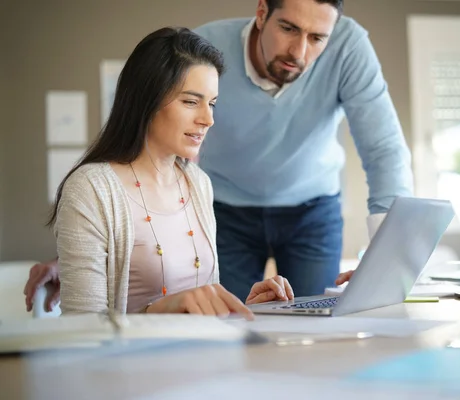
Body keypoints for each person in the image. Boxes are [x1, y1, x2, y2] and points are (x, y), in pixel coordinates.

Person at [24, 0, 413, 309]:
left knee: (316, 322)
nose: (300, 51)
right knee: (221, 321)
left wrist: (387, 255)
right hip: (228, 206)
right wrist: (88, 258)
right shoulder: (204, 53)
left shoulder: (349, 47)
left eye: (317, 38)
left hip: (311, 208)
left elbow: (385, 149)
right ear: (262, 13)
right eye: (289, 28)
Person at [40, 27, 294, 318]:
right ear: (146, 100)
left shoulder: (197, 183)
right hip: (130, 364)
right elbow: (82, 329)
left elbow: (198, 304)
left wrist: (243, 310)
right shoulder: (91, 189)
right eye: (190, 101)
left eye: (211, 103)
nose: (208, 119)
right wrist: (158, 311)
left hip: (200, 360)